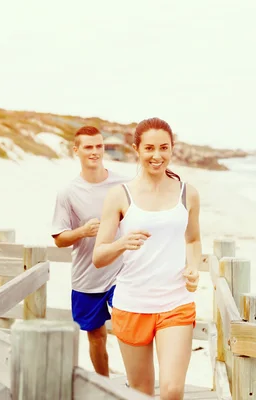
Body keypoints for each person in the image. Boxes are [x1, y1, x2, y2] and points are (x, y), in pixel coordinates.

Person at [92, 117, 201, 399]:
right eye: (149, 148)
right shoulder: (119, 195)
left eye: (164, 148)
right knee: (140, 392)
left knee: (173, 390)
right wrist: (121, 244)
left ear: (172, 149)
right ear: (136, 150)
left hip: (176, 302)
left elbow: (193, 239)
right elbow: (99, 256)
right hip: (132, 303)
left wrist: (192, 267)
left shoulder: (188, 193)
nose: (157, 156)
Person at [51, 125, 129, 377]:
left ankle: (135, 383)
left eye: (99, 146)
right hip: (87, 276)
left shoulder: (124, 185)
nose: (95, 151)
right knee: (96, 336)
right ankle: (104, 384)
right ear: (76, 151)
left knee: (128, 329)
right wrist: (82, 231)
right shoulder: (67, 193)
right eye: (88, 147)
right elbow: (60, 240)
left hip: (122, 272)